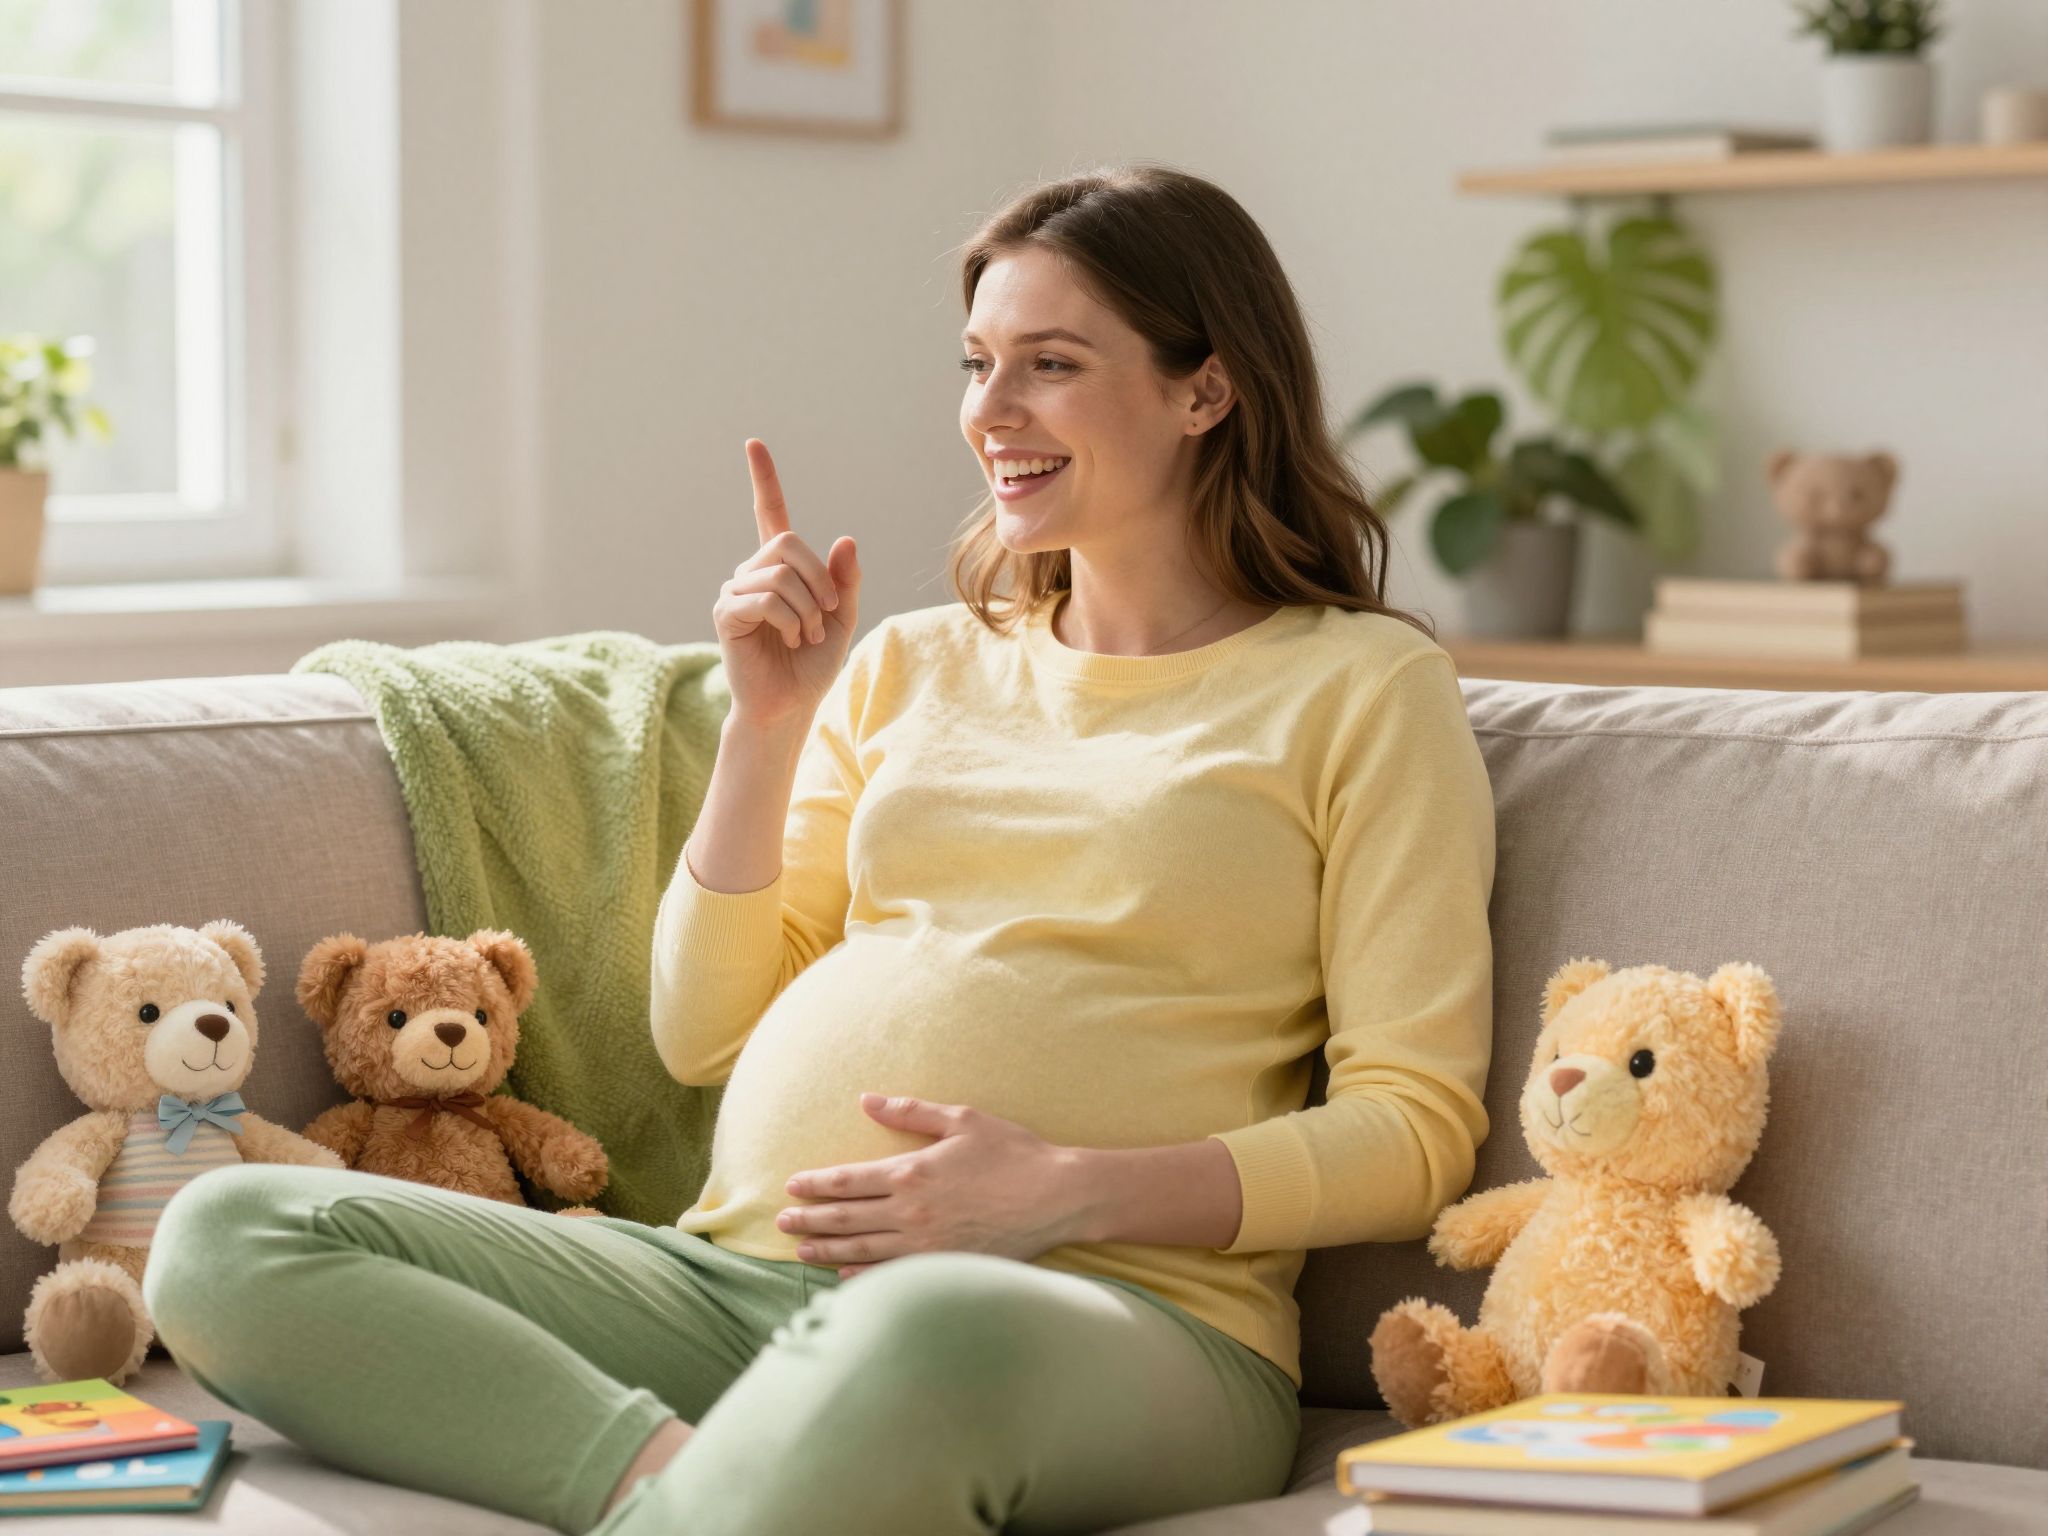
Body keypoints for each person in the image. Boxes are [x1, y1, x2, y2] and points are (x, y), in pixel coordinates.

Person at [142, 163, 1497, 1536]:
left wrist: (1061, 1196)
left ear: (1206, 391)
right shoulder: (910, 663)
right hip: (737, 1288)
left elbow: (1415, 1128)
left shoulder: (1362, 688)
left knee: (925, 1326)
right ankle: (678, 1494)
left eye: (1051, 364)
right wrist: (766, 724)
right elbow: (700, 1032)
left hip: (1108, 1322)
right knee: (229, 1233)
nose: (991, 411)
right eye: (976, 363)